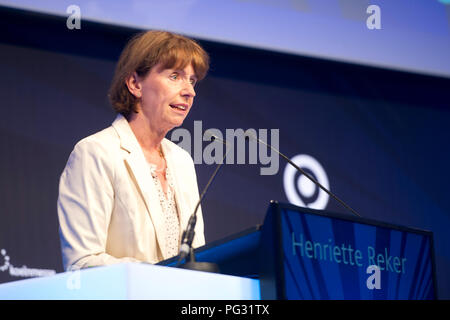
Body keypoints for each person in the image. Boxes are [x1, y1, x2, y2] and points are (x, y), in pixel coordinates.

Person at [57, 30, 209, 271]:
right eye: (175, 76)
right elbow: (82, 262)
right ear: (135, 84)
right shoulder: (96, 153)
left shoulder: (182, 162)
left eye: (192, 80)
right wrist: (157, 278)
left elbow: (195, 259)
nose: (189, 91)